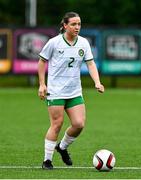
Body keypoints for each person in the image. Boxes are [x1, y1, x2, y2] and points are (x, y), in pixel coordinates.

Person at [38, 12, 104, 170]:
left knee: (79, 124)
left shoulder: (83, 43)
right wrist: (42, 84)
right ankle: (47, 161)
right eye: (73, 24)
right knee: (57, 124)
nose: (77, 27)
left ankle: (62, 147)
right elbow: (41, 62)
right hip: (56, 91)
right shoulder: (54, 43)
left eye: (79, 24)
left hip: (74, 91)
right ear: (65, 25)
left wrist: (97, 82)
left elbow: (90, 64)